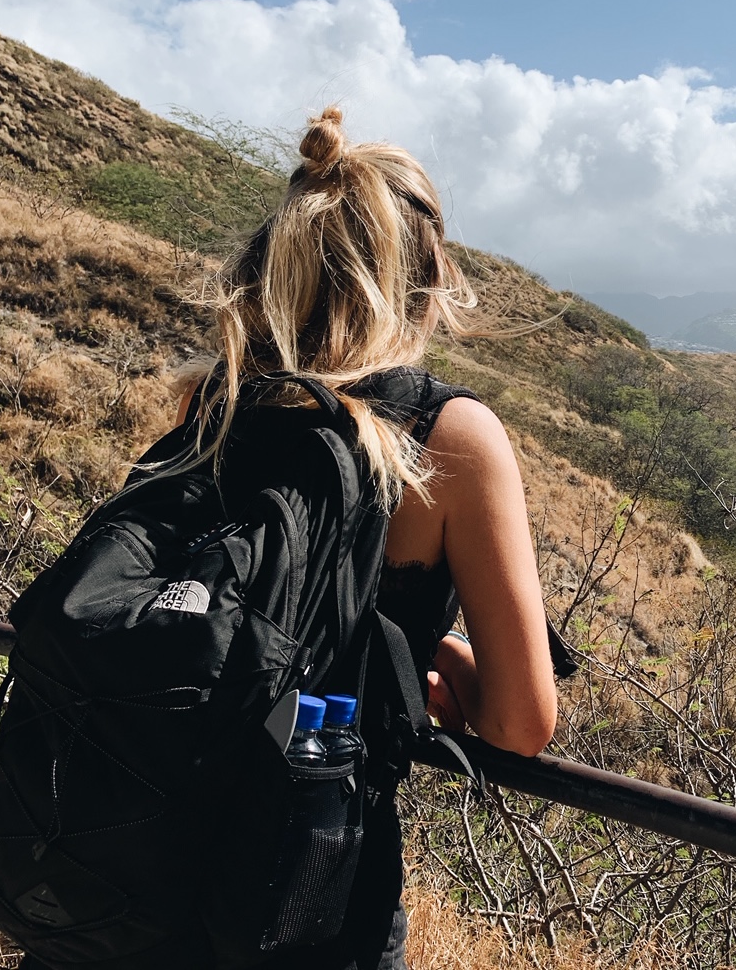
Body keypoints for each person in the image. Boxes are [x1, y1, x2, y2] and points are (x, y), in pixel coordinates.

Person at [178, 106, 557, 969]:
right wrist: (443, 661)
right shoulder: (448, 434)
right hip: (302, 886)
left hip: (150, 837)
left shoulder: (214, 400)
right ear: (429, 278)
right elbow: (522, 723)